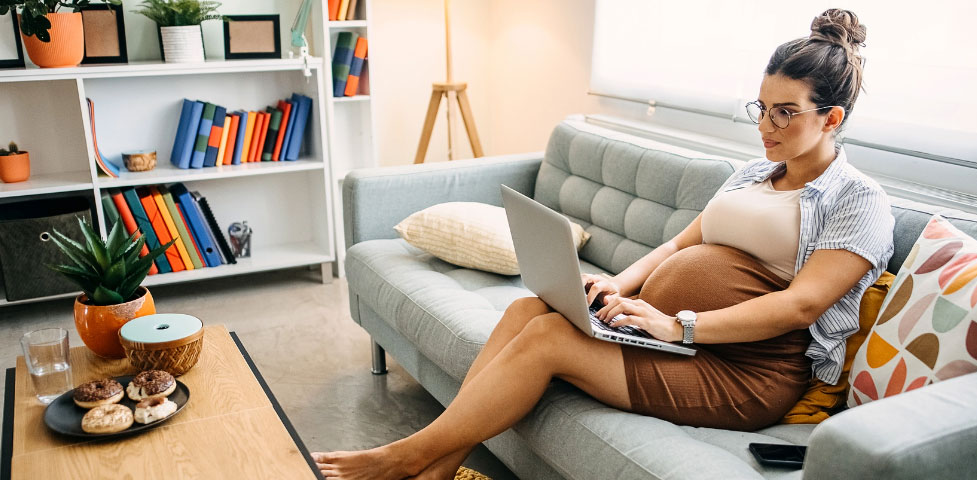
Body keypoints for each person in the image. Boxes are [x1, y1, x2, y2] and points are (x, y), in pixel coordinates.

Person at [314, 8, 894, 480]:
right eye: (761, 109)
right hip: (672, 339)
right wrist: (618, 283)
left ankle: (406, 457)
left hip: (745, 373)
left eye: (785, 114)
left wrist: (679, 325)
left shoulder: (857, 201)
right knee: (525, 308)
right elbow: (678, 245)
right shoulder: (753, 174)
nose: (765, 127)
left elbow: (801, 306)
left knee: (546, 339)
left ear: (831, 117)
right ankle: (439, 469)